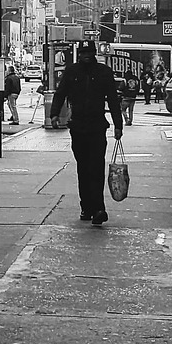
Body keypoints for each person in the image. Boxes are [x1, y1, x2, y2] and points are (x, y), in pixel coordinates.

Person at [49, 41, 124, 226]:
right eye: (83, 53)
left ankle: (99, 208)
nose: (86, 56)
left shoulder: (104, 72)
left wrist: (118, 124)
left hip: (98, 126)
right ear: (78, 54)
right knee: (83, 168)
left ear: (94, 53)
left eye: (89, 52)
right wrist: (54, 114)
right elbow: (61, 93)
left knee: (96, 167)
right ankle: (87, 207)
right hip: (78, 127)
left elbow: (113, 99)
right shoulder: (72, 72)